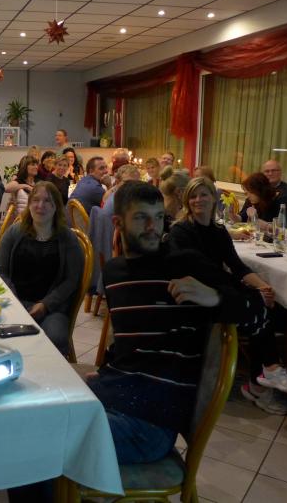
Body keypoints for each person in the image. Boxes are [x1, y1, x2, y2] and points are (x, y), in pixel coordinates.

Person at [86, 181, 266, 464]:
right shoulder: (113, 272)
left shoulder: (184, 264)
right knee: (33, 421)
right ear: (118, 223)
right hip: (112, 396)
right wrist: (106, 372)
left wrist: (215, 297)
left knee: (45, 438)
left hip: (150, 423)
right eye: (141, 218)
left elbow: (259, 312)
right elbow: (129, 338)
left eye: (158, 217)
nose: (153, 227)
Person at [169, 177, 287, 413]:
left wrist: (263, 286)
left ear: (214, 199)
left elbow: (237, 266)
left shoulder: (218, 231)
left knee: (265, 306)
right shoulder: (181, 231)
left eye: (204, 194)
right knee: (258, 309)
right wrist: (251, 292)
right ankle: (263, 378)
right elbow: (203, 272)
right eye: (193, 196)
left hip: (219, 290)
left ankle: (263, 377)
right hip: (196, 296)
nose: (198, 200)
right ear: (187, 201)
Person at [0, 181, 83, 354]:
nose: (40, 205)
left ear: (56, 206)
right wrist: (15, 302)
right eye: (35, 200)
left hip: (51, 308)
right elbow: (0, 270)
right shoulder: (14, 232)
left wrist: (46, 304)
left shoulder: (68, 238)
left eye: (47, 201)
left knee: (55, 337)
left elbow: (72, 280)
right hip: (15, 302)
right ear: (29, 204)